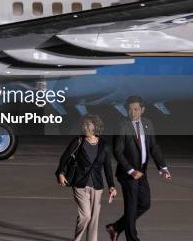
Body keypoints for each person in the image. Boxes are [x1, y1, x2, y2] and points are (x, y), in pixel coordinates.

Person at [106, 96, 172, 241]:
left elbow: (154, 147)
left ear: (142, 110)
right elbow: (118, 151)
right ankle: (132, 238)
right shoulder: (122, 125)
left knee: (145, 203)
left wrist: (163, 168)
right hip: (127, 173)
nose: (133, 112)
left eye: (136, 109)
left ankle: (116, 227)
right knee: (131, 206)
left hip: (142, 172)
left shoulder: (148, 124)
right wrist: (131, 170)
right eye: (130, 109)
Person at [56, 115, 117, 241]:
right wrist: (61, 173)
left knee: (94, 218)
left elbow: (107, 167)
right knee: (86, 216)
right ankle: (77, 239)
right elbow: (65, 158)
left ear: (96, 127)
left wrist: (111, 185)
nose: (86, 127)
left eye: (89, 124)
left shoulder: (104, 145)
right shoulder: (78, 141)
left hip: (97, 186)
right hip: (80, 184)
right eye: (84, 124)